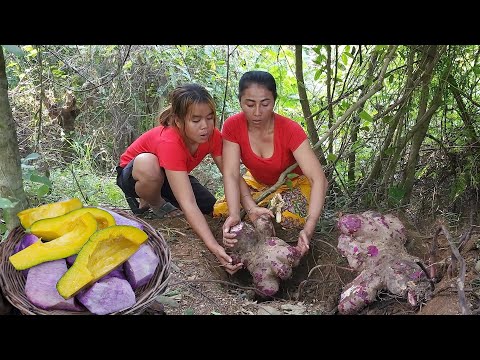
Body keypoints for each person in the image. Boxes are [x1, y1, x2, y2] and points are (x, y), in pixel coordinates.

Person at [116, 83, 242, 274]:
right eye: (196, 120)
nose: (205, 126)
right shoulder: (169, 140)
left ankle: (155, 196)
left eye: (210, 118)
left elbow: (230, 173)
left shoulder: (213, 136)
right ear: (178, 121)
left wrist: (243, 209)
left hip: (170, 173)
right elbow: (188, 203)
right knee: (149, 164)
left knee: (210, 207)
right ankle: (154, 203)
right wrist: (214, 247)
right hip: (134, 174)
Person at [215, 70, 328, 268]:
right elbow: (232, 173)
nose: (257, 112)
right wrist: (237, 211)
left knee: (286, 220)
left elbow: (319, 180)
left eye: (265, 104)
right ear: (240, 101)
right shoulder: (232, 126)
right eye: (249, 104)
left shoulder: (290, 130)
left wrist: (309, 228)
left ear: (274, 101)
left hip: (292, 184)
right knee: (222, 210)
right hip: (256, 183)